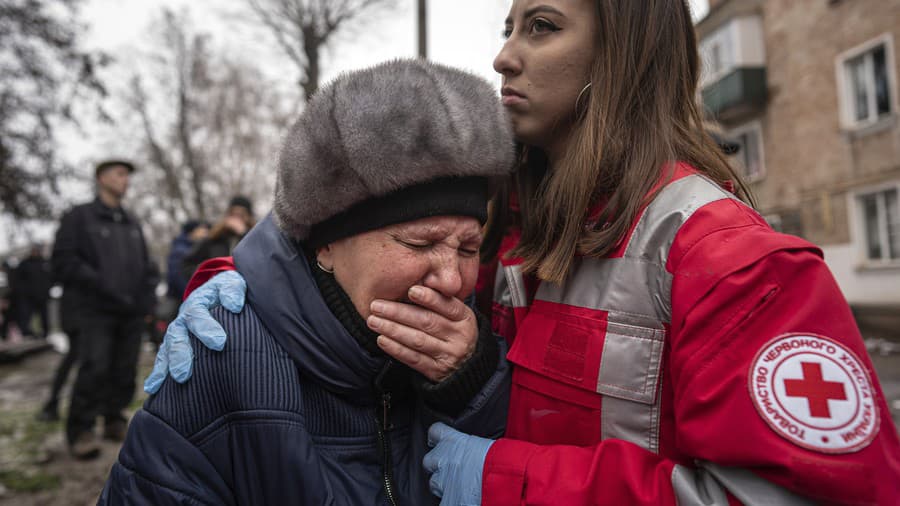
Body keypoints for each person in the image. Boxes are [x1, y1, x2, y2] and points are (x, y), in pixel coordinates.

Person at [150, 2, 900, 504]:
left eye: (541, 27)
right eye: (507, 27)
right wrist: (241, 288)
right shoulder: (507, 214)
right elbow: (345, 228)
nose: (504, 56)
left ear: (626, 52)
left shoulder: (734, 263)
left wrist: (507, 481)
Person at [100, 59, 515, 505]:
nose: (452, 280)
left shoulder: (478, 348)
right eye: (418, 243)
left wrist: (471, 387)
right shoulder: (223, 350)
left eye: (468, 249)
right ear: (326, 245)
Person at [52, 159, 159, 459]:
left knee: (124, 368)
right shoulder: (80, 217)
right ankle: (81, 429)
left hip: (130, 312)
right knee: (95, 367)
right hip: (94, 310)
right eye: (120, 173)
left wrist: (146, 296)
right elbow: (64, 261)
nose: (126, 180)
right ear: (101, 177)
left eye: (128, 175)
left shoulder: (131, 222)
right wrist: (101, 285)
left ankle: (113, 419)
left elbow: (147, 265)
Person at [180, 196, 254, 282]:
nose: (236, 219)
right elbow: (186, 265)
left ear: (248, 217)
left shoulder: (254, 240)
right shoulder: (213, 239)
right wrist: (207, 277)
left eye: (241, 215)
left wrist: (244, 234)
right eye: (233, 214)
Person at [13, 244, 52, 338]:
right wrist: (22, 292)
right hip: (28, 297)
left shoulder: (45, 263)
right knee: (26, 316)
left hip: (43, 296)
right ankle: (26, 333)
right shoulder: (24, 264)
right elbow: (17, 279)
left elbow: (51, 278)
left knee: (44, 317)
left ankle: (45, 334)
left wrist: (48, 289)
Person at [166, 219, 210, 301]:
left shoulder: (194, 247)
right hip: (181, 298)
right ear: (193, 231)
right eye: (201, 229)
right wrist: (191, 296)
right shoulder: (181, 250)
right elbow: (177, 276)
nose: (205, 232)